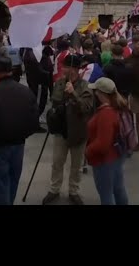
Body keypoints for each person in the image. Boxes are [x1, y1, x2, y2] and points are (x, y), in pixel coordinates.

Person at [0, 57, 39, 205]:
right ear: (10, 70)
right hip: (18, 143)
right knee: (13, 179)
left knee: (1, 183)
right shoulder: (25, 91)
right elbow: (34, 118)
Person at [42, 54, 94, 205]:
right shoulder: (59, 83)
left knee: (76, 165)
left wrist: (74, 94)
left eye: (67, 67)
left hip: (78, 131)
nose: (64, 69)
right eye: (64, 66)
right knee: (57, 162)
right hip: (61, 129)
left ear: (75, 69)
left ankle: (74, 191)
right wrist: (64, 95)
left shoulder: (85, 86)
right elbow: (55, 101)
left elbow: (86, 108)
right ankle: (54, 189)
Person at [85, 77, 130, 205]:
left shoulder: (106, 114)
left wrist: (88, 150)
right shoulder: (118, 107)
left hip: (104, 160)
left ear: (101, 93)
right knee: (118, 189)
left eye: (96, 91)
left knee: (106, 194)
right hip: (117, 155)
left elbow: (102, 144)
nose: (94, 94)